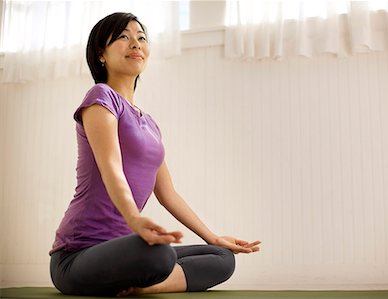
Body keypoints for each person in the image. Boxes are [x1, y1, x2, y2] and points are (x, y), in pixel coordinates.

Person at [49, 12, 260, 297]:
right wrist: (135, 221)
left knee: (222, 258)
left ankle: (144, 286)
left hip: (124, 252)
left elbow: (168, 193)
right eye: (123, 37)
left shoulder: (149, 124)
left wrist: (213, 237)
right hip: (78, 257)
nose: (135, 43)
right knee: (158, 256)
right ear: (101, 54)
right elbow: (111, 168)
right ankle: (148, 276)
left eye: (141, 37)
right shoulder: (100, 98)